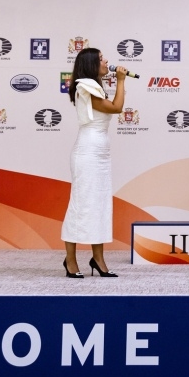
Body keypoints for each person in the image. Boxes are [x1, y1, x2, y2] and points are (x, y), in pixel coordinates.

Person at [61, 47, 127, 278]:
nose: (106, 61)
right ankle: (70, 259)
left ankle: (98, 259)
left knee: (99, 205)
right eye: (101, 59)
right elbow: (116, 108)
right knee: (81, 205)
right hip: (87, 152)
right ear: (90, 64)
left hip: (100, 153)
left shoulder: (95, 86)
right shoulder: (85, 85)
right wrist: (121, 81)